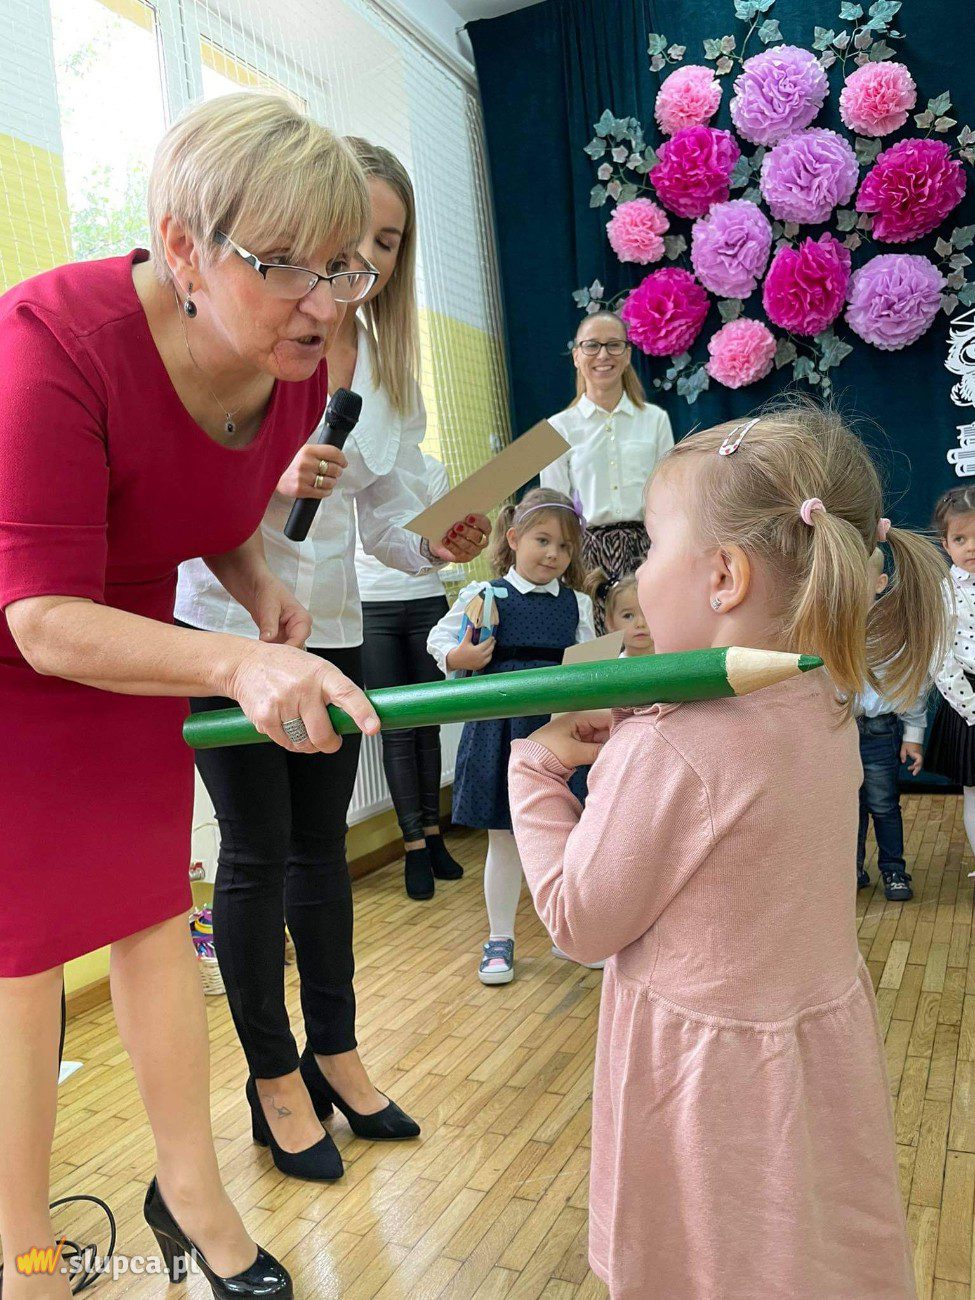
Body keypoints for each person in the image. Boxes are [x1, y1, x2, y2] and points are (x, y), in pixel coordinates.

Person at [0, 92, 380, 1300]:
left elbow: (192, 490)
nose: (323, 303)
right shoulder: (54, 343)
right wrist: (233, 661)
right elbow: (38, 613)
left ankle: (192, 1190)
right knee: (20, 962)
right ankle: (21, 1247)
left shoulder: (294, 361)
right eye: (289, 267)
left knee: (156, 920)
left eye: (346, 267)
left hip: (130, 648)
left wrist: (255, 582)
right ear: (181, 247)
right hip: (25, 641)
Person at [508, 403, 948, 1299]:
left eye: (650, 547)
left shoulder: (669, 748)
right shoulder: (825, 694)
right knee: (806, 1259)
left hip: (705, 1088)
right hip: (808, 1055)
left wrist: (536, 767)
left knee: (707, 1268)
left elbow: (577, 924)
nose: (634, 575)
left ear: (721, 576)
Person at [175, 138, 489, 1182]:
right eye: (353, 233)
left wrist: (439, 542)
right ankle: (273, 1081)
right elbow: (186, 489)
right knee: (256, 855)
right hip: (225, 627)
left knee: (320, 853)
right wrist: (269, 483)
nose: (366, 258)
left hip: (334, 624)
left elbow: (383, 520)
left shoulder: (384, 372)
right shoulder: (237, 330)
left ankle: (338, 1055)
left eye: (388, 242)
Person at [427, 488, 595, 985]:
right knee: (503, 839)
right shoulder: (484, 593)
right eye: (543, 540)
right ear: (515, 537)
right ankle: (499, 938)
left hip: (559, 730)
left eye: (564, 547)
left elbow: (591, 663)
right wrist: (459, 657)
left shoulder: (578, 604)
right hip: (499, 732)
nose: (553, 554)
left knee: (569, 834)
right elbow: (439, 640)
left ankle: (570, 935)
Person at [356, 451, 465, 900]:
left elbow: (444, 545)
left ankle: (433, 834)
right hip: (370, 604)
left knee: (428, 725)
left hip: (426, 601)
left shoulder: (432, 468)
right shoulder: (358, 463)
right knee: (396, 729)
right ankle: (414, 845)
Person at [542, 310, 673, 632]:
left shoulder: (655, 419)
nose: (603, 355)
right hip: (588, 558)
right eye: (592, 346)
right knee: (597, 644)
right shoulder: (557, 428)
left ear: (627, 355)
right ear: (577, 356)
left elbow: (670, 496)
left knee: (652, 639)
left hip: (648, 550)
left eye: (614, 345)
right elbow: (555, 511)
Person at [856, 546, 928, 902]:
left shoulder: (891, 634)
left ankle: (893, 869)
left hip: (879, 732)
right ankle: (851, 869)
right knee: (847, 807)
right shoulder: (826, 628)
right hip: (838, 732)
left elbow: (910, 684)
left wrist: (913, 735)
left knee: (883, 805)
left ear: (880, 582)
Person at [926, 486, 975, 871]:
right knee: (974, 793)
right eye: (960, 539)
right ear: (945, 544)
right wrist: (972, 710)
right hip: (969, 700)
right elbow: (940, 659)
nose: (971, 547)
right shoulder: (944, 593)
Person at [585, 570, 654, 657]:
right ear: (610, 623)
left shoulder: (670, 659)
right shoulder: (613, 665)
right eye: (628, 616)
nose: (640, 624)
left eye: (647, 613)